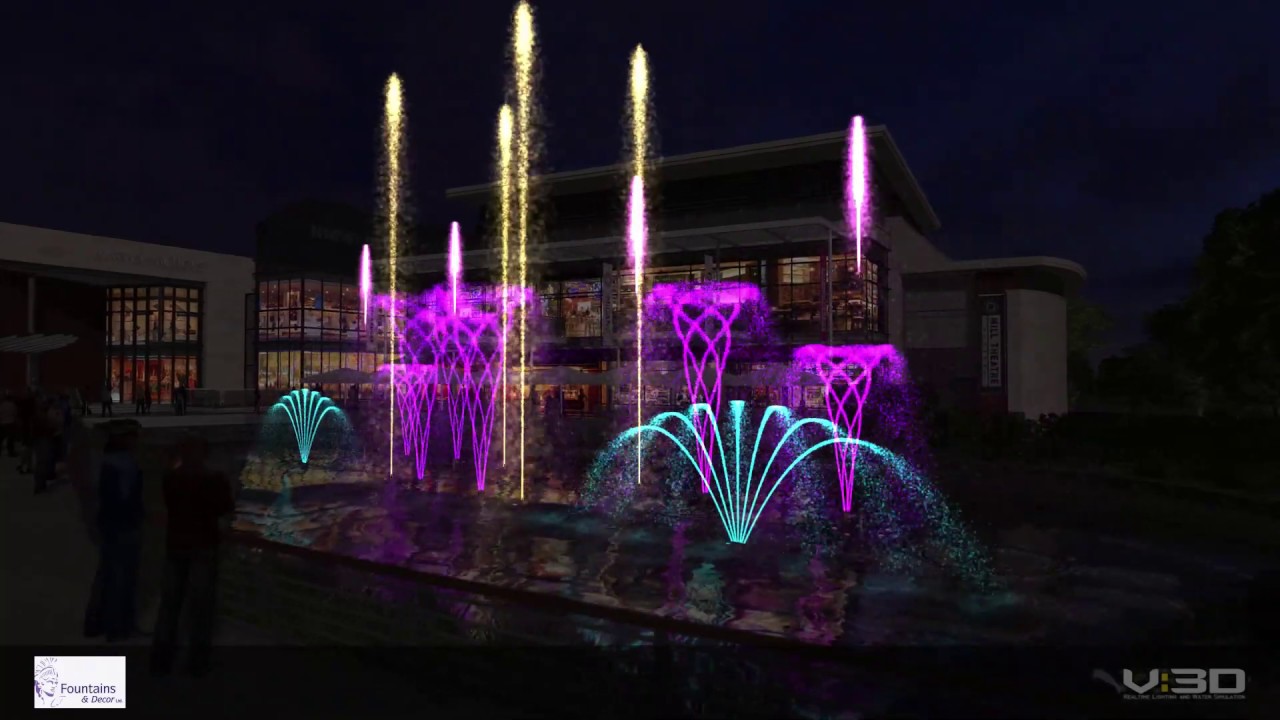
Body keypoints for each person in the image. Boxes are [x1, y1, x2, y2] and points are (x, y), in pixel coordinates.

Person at [151, 434, 234, 676]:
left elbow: (169, 505)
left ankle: (161, 660)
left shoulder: (171, 478)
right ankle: (197, 663)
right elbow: (225, 509)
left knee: (170, 606)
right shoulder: (214, 479)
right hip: (204, 546)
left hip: (176, 545)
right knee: (201, 608)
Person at [84, 420, 145, 642]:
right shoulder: (125, 464)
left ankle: (96, 622)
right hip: (123, 526)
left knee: (107, 573)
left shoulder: (105, 461)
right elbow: (125, 499)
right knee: (122, 577)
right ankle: (117, 627)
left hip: (110, 524)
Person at [0, 392, 17, 457]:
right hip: (11, 423)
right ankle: (11, 452)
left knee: (0, 438)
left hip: (2, 424)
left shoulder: (1, 405)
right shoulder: (12, 405)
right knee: (10, 439)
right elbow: (15, 414)